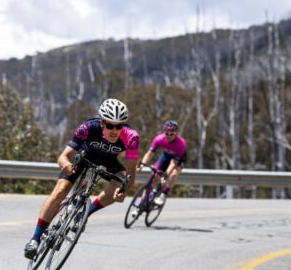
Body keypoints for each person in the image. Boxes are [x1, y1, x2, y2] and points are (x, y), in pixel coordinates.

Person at [24, 98, 140, 259]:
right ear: (102, 123)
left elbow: (130, 174)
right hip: (84, 158)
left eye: (119, 126)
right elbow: (63, 157)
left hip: (109, 162)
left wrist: (124, 191)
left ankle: (85, 213)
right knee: (61, 190)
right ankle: (35, 239)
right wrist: (65, 165)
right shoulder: (88, 127)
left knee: (120, 183)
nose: (114, 130)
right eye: (110, 125)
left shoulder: (131, 137)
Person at [137, 120, 187, 205]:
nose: (169, 136)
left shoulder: (181, 144)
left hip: (178, 160)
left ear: (176, 133)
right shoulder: (159, 139)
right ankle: (141, 205)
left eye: (172, 134)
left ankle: (164, 194)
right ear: (164, 132)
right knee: (154, 178)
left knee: (173, 174)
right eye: (167, 133)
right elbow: (149, 154)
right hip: (166, 156)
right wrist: (142, 164)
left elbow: (173, 163)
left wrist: (166, 175)